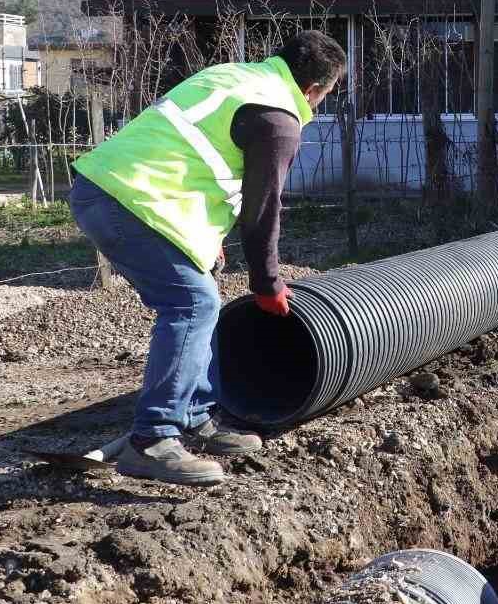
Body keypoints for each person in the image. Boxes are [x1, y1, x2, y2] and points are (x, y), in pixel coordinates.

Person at [69, 31, 347, 486]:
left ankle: (197, 415)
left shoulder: (236, 78)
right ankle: (153, 440)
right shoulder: (278, 119)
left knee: (202, 296)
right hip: (131, 201)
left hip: (114, 189)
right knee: (192, 305)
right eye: (324, 98)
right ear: (315, 89)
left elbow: (191, 153)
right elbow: (262, 211)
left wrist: (206, 232)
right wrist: (268, 284)